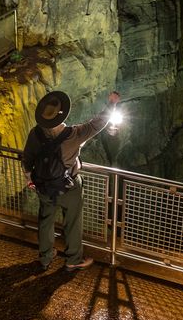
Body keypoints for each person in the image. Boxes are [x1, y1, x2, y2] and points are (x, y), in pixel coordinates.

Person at [22, 90, 121, 271]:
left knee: (45, 222)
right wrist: (111, 104)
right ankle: (73, 259)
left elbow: (27, 159)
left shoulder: (35, 134)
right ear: (61, 114)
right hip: (69, 188)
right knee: (73, 222)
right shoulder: (73, 135)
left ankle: (45, 258)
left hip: (44, 187)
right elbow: (97, 124)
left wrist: (30, 179)